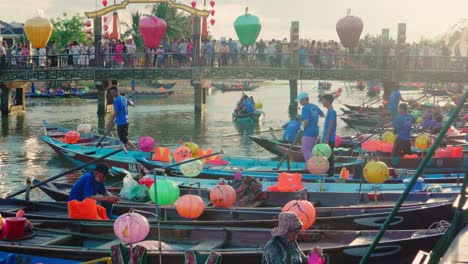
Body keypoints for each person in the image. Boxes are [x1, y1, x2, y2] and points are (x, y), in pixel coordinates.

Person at [107, 86, 138, 150]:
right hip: (126, 121)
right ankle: (126, 150)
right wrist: (132, 104)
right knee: (124, 137)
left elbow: (115, 112)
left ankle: (134, 147)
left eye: (113, 93)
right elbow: (131, 103)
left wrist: (110, 122)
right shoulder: (124, 98)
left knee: (122, 138)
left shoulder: (116, 100)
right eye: (111, 93)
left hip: (121, 122)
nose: (112, 95)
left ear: (117, 91)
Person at [297, 92, 324, 162]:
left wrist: (302, 127)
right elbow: (322, 114)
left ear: (304, 100)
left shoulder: (305, 108)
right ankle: (308, 166)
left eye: (300, 100)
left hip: (309, 131)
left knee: (304, 149)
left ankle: (315, 163)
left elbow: (306, 120)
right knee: (311, 150)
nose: (299, 102)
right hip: (315, 130)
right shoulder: (314, 106)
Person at [321, 94, 336, 177]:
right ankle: (329, 172)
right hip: (327, 137)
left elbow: (331, 125)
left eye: (323, 100)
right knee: (328, 155)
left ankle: (330, 173)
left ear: (328, 101)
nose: (322, 102)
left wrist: (326, 138)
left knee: (329, 156)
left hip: (329, 138)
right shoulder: (329, 111)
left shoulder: (332, 112)